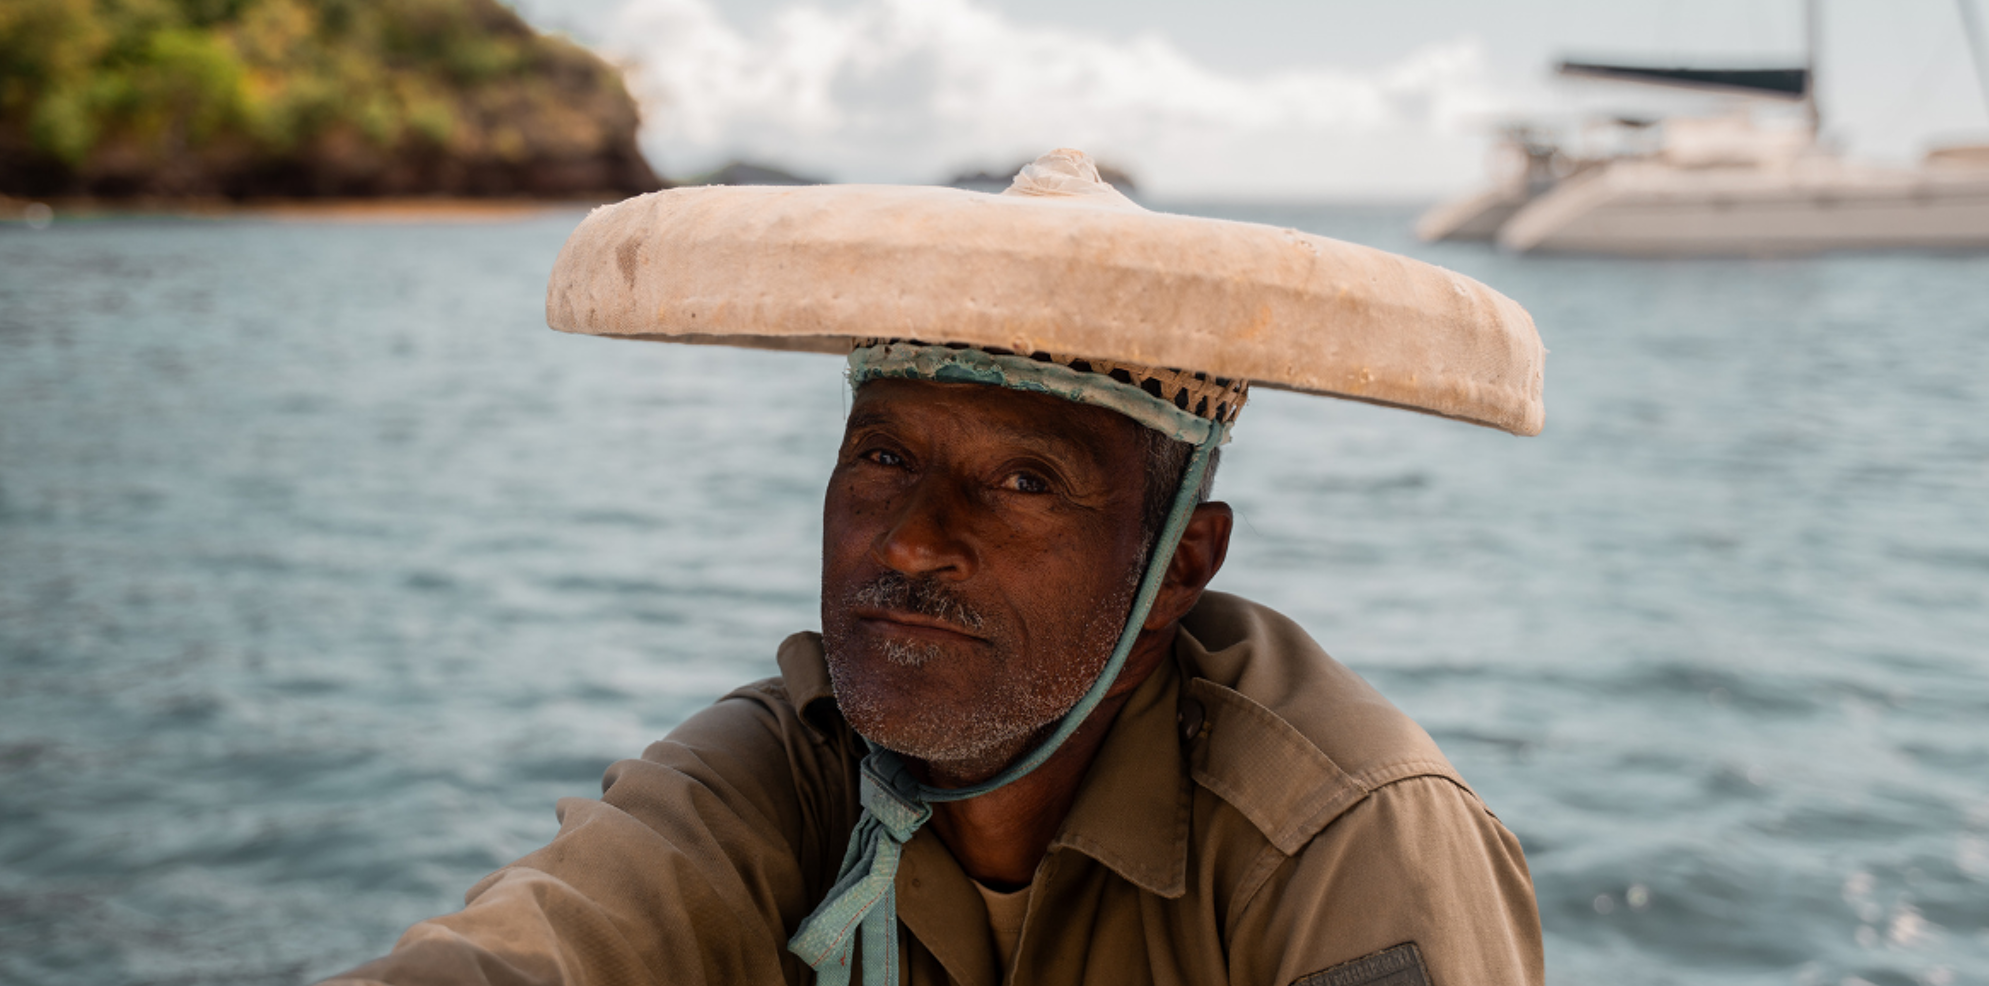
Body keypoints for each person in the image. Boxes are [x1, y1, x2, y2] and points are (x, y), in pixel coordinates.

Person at [323, 150, 1548, 986]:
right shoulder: (794, 764)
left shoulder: (1341, 835)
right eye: (882, 456)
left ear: (1179, 565)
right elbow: (546, 939)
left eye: (1023, 481)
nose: (910, 540)